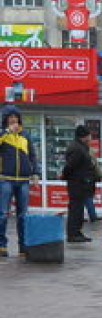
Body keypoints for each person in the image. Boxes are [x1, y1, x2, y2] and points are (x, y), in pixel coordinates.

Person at [0, 105, 39, 257]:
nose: (13, 120)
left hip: (23, 180)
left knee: (23, 215)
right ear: (5, 120)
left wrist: (35, 172)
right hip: (5, 179)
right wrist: (7, 132)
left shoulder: (26, 135)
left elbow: (33, 156)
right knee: (3, 214)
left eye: (15, 117)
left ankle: (23, 246)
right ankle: (2, 246)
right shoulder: (3, 135)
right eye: (10, 117)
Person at [60, 124, 97, 243]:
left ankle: (77, 232)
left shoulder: (81, 147)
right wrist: (65, 176)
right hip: (77, 184)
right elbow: (70, 166)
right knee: (75, 209)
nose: (91, 137)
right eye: (89, 135)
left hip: (81, 183)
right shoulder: (77, 149)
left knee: (79, 208)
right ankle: (73, 234)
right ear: (84, 136)